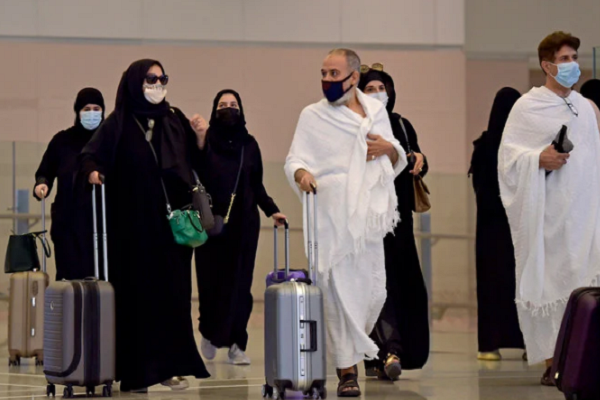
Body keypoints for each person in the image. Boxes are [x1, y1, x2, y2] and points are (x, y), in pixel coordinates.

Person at [78, 59, 210, 392]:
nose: (158, 83)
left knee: (173, 298)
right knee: (136, 300)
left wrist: (200, 138)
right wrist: (94, 172)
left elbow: (195, 163)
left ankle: (169, 368)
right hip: (132, 230)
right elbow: (90, 156)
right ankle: (137, 372)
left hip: (172, 229)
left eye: (162, 77)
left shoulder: (174, 119)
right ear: (136, 82)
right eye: (151, 78)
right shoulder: (118, 123)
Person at [284, 48, 407, 397]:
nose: (327, 80)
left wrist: (388, 148)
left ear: (354, 78)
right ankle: (346, 371)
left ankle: (357, 350)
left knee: (372, 293)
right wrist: (301, 172)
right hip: (330, 220)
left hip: (366, 224)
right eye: (323, 73)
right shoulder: (312, 116)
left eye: (334, 74)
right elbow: (295, 159)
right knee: (337, 296)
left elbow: (395, 154)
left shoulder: (376, 112)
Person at [498, 31, 600, 385]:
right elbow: (508, 160)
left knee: (584, 280)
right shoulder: (528, 106)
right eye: (566, 59)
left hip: (585, 214)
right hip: (547, 214)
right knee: (551, 282)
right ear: (547, 65)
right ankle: (552, 359)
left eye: (575, 57)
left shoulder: (587, 108)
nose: (573, 65)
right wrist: (537, 158)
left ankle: (582, 357)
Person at [193, 89, 286, 365]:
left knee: (239, 285)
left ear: (241, 110)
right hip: (210, 225)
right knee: (210, 283)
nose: (228, 109)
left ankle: (237, 343)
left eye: (233, 105)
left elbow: (256, 184)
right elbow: (194, 172)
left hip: (244, 225)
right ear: (214, 109)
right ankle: (209, 333)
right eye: (223, 105)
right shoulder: (205, 141)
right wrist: (199, 139)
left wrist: (272, 210)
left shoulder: (249, 144)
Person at [357, 65, 430, 380]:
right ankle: (387, 352)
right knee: (375, 288)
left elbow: (413, 161)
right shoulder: (354, 126)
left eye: (381, 88)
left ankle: (396, 351)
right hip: (366, 223)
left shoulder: (401, 124)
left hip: (400, 223)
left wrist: (417, 161)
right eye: (370, 89)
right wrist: (389, 153)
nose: (377, 94)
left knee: (403, 286)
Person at [469, 87, 525, 361]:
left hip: (490, 230)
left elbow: (479, 189)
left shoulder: (484, 146)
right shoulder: (524, 149)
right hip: (518, 228)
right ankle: (527, 342)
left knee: (492, 286)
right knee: (521, 285)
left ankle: (489, 345)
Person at [33, 88, 105, 280]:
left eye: (96, 108)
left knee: (98, 278)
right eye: (86, 109)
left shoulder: (108, 140)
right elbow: (45, 170)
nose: (92, 113)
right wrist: (42, 184)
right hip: (67, 225)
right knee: (68, 278)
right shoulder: (62, 141)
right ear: (77, 111)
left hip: (100, 225)